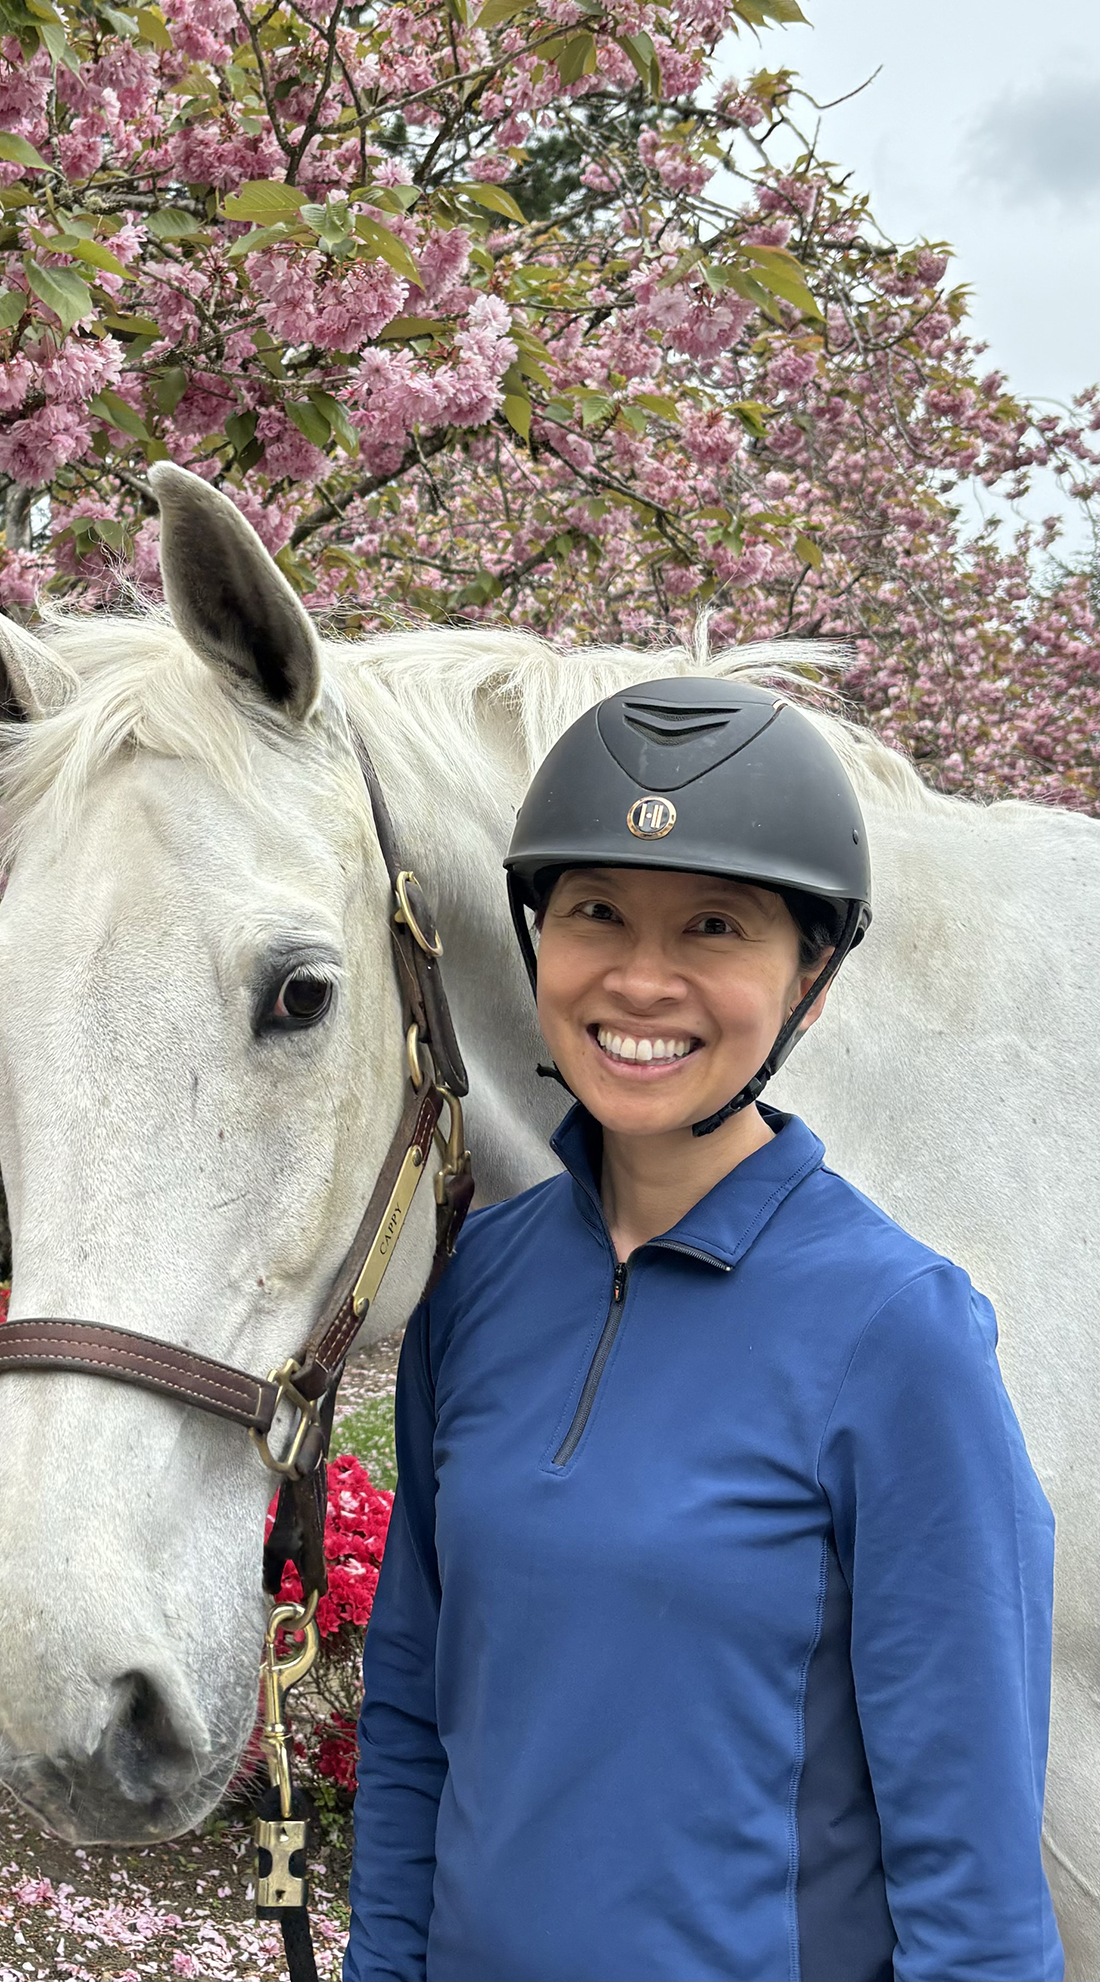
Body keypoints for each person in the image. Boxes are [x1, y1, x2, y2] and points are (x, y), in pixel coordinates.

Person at [347, 677, 1061, 1982]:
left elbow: (971, 1861)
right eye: (596, 912)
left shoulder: (901, 1334)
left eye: (717, 926)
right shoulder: (480, 1290)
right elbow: (414, 1721)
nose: (641, 977)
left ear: (814, 979)